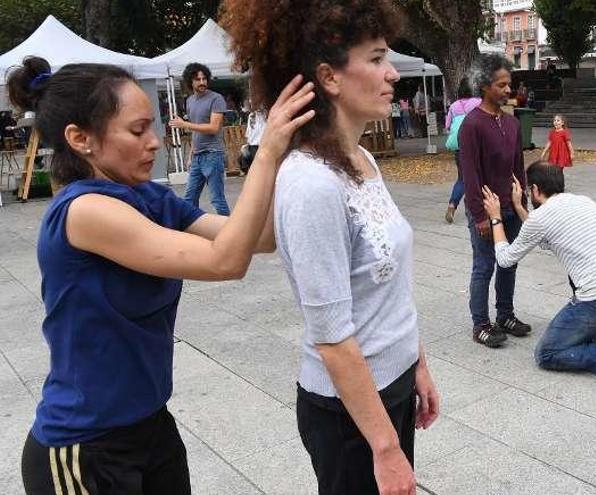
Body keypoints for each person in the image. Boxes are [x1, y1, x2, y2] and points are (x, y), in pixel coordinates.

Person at [8, 55, 315, 494]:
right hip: (85, 449)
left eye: (152, 126)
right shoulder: (84, 210)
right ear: (80, 139)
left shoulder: (148, 197)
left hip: (150, 425)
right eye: (137, 130)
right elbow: (225, 261)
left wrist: (295, 151)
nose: (154, 142)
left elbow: (257, 239)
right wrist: (265, 151)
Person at [221, 2, 440, 494]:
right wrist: (385, 448)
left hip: (393, 386)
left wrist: (417, 364)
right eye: (378, 58)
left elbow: (390, 287)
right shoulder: (311, 182)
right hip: (349, 414)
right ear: (330, 77)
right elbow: (332, 335)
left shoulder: (361, 158)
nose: (392, 74)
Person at [481, 163, 596, 383]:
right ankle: (587, 338)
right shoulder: (584, 200)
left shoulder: (540, 217)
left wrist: (495, 217)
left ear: (535, 189)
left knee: (546, 354)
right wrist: (518, 206)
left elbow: (505, 259)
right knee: (577, 279)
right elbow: (544, 236)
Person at [459, 53, 531, 348]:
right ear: (485, 86)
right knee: (484, 265)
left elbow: (518, 167)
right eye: (501, 85)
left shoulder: (512, 124)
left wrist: (521, 202)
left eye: (508, 84)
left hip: (511, 207)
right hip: (486, 209)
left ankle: (505, 315)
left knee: (509, 263)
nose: (507, 90)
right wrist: (479, 216)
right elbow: (470, 174)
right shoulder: (472, 125)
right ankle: (481, 324)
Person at [169, 63, 231, 215]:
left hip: (212, 154)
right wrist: (191, 155)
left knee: (217, 199)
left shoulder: (216, 98)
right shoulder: (190, 101)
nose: (202, 82)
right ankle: (192, 232)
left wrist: (184, 124)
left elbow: (213, 128)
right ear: (190, 81)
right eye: (198, 79)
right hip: (197, 157)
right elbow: (195, 132)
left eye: (204, 78)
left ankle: (231, 233)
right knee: (189, 199)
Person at [444, 78, 482, 223]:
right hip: (476, 146)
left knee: (462, 179)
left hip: (459, 148)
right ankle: (474, 207)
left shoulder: (454, 106)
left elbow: (448, 126)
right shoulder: (478, 102)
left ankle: (452, 204)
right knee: (480, 177)